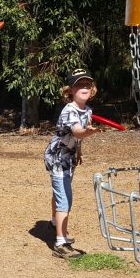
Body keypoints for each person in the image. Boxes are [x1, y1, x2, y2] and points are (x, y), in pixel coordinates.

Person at [43, 69, 101, 259]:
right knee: (65, 199)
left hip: (69, 158)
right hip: (58, 158)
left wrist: (79, 151)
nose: (84, 88)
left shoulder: (88, 110)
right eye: (79, 85)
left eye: (87, 84)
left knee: (60, 193)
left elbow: (78, 138)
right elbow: (77, 131)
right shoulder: (69, 110)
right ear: (70, 91)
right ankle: (60, 243)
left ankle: (54, 221)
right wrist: (88, 133)